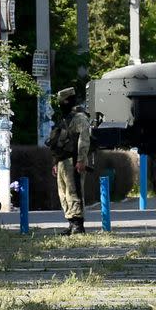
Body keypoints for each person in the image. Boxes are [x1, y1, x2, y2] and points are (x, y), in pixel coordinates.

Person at [49, 87, 91, 235]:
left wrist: (81, 160)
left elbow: (84, 139)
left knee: (74, 192)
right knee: (63, 193)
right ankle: (71, 223)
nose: (61, 104)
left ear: (68, 100)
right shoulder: (65, 118)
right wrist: (55, 162)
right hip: (62, 161)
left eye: (63, 101)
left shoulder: (79, 118)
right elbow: (58, 142)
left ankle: (78, 224)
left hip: (73, 160)